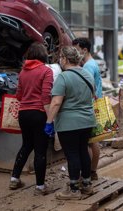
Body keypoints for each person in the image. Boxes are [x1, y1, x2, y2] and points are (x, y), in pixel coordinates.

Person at [45, 46, 96, 199]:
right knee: (83, 151)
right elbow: (92, 95)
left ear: (65, 59)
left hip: (69, 123)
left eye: (61, 57)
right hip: (88, 121)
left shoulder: (63, 77)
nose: (60, 60)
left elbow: (55, 102)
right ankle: (86, 184)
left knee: (72, 154)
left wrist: (49, 122)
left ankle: (74, 189)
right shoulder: (88, 74)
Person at [8, 42, 53, 196]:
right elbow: (46, 97)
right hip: (39, 113)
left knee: (26, 145)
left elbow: (18, 95)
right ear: (42, 54)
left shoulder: (22, 72)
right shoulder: (46, 71)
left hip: (23, 114)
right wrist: (50, 120)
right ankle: (40, 187)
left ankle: (14, 178)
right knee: (40, 150)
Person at [72, 37, 102, 181]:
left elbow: (86, 88)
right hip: (95, 105)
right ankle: (92, 171)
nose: (75, 53)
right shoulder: (92, 63)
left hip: (90, 106)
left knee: (89, 142)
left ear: (84, 50)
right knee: (93, 140)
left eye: (76, 50)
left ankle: (90, 171)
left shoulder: (88, 67)